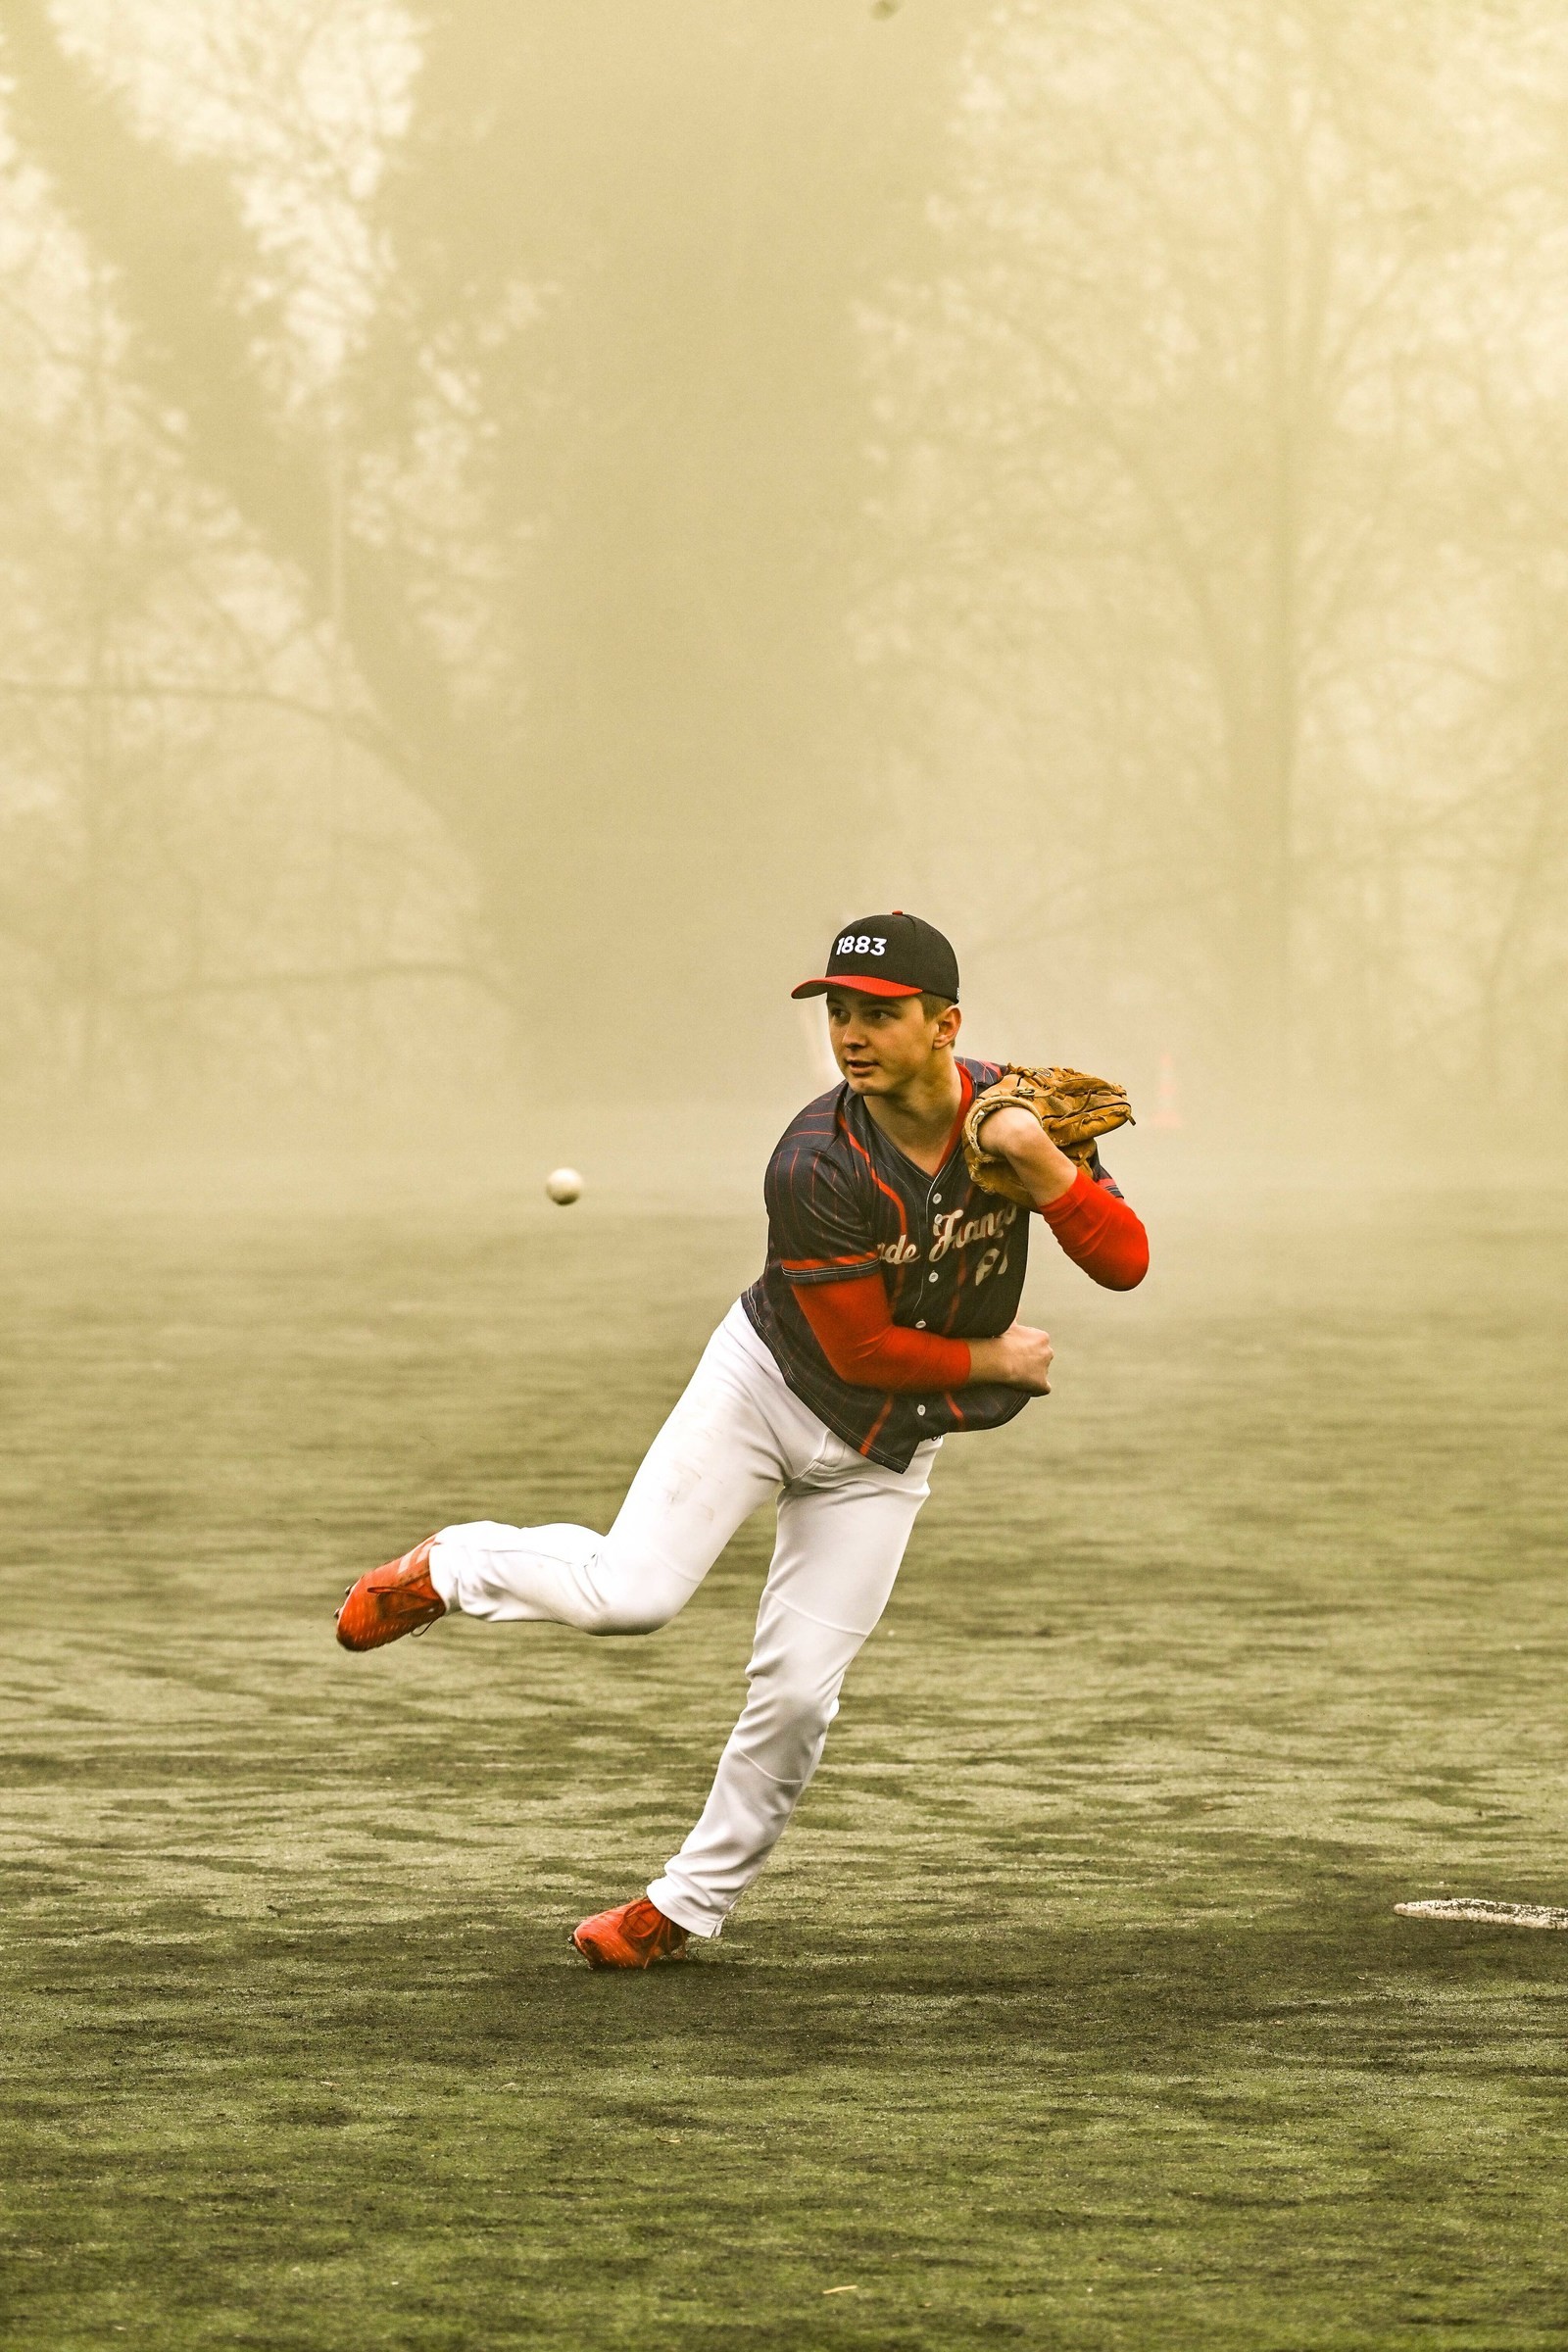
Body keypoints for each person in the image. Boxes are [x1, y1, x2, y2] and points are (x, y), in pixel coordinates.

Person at [334, 912, 1149, 1966]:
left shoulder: (1023, 1110)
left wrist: (1040, 1161)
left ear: (946, 1025)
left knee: (801, 1693)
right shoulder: (815, 1159)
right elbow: (858, 1352)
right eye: (839, 1014)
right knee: (627, 1598)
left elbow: (1123, 1262)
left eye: (880, 1014)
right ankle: (449, 1568)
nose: (851, 1035)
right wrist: (995, 1362)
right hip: (765, 1389)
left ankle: (683, 1906)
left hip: (884, 1454)